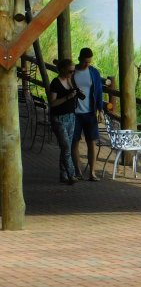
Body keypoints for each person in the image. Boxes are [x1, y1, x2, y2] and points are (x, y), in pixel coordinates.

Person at [71, 47, 104, 182]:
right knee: (74, 143)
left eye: (89, 62)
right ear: (79, 59)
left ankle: (92, 173)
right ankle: (78, 172)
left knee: (92, 143)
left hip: (90, 113)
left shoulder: (94, 72)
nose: (87, 65)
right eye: (85, 62)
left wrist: (100, 110)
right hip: (75, 113)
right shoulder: (72, 72)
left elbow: (99, 93)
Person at [49, 58, 83, 186]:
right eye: (70, 71)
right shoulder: (55, 83)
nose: (72, 73)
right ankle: (71, 174)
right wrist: (68, 97)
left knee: (66, 147)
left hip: (71, 117)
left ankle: (63, 174)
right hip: (59, 119)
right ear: (62, 69)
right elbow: (52, 103)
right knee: (66, 147)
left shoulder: (70, 80)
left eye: (73, 71)